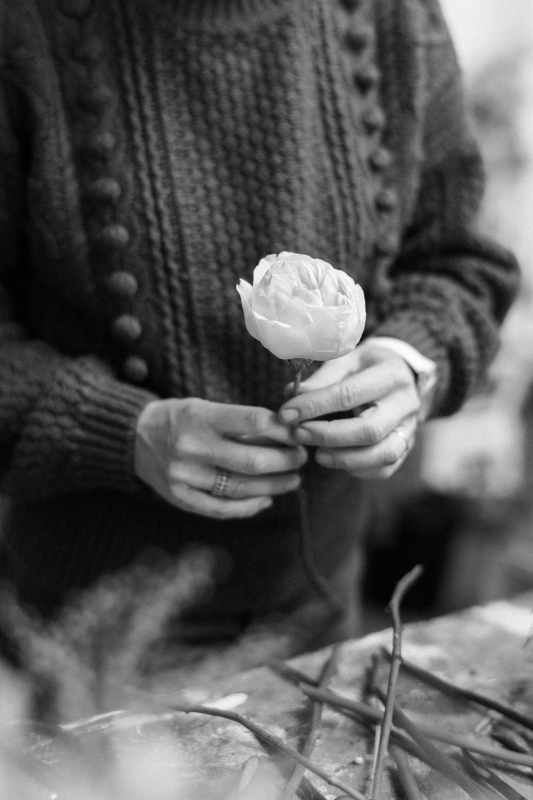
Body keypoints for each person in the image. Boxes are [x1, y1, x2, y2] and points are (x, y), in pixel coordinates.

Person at [0, 0, 519, 654]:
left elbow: (457, 260)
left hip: (320, 596)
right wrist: (120, 432)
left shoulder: (395, 14)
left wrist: (406, 360)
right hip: (81, 624)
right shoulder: (23, 26)